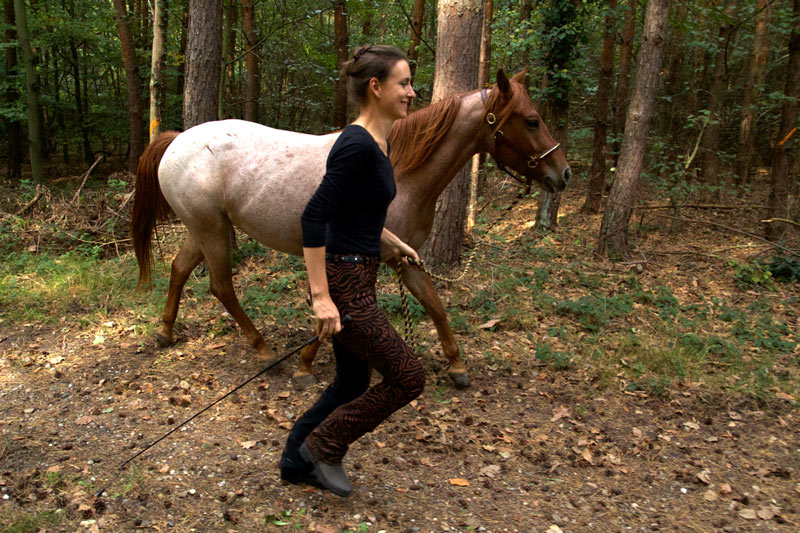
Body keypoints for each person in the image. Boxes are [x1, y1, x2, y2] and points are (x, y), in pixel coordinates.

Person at [278, 45, 424, 497]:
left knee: (353, 380)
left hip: (361, 275)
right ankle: (323, 447)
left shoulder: (378, 142)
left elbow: (357, 213)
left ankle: (293, 462)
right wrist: (322, 297)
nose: (411, 92)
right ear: (376, 87)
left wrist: (395, 243)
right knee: (408, 377)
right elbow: (314, 216)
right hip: (345, 284)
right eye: (403, 83)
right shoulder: (356, 143)